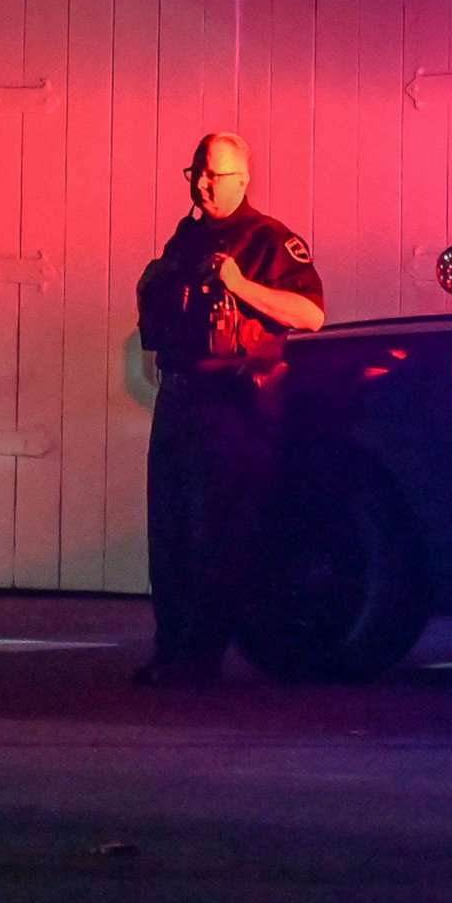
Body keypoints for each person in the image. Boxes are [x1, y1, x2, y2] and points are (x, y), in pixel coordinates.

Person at [132, 131, 326, 685]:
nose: (200, 183)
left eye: (212, 175)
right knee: (169, 529)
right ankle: (170, 648)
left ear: (241, 179)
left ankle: (202, 656)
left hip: (233, 406)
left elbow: (310, 314)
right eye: (195, 171)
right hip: (180, 398)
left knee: (215, 530)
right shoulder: (186, 237)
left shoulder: (271, 240)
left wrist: (241, 286)